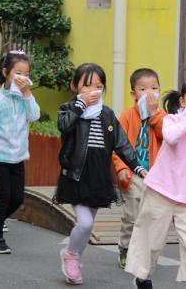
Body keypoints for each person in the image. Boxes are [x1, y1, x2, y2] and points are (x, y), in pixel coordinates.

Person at [125, 63, 186, 289]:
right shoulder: (173, 121)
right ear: (182, 101)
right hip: (160, 191)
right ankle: (142, 276)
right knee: (151, 239)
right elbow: (170, 137)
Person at [53, 63, 147, 285]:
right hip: (75, 176)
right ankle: (71, 255)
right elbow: (65, 126)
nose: (93, 90)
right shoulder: (68, 109)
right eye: (86, 85)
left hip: (98, 177)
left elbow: (122, 144)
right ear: (74, 87)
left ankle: (74, 257)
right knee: (84, 223)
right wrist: (79, 107)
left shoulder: (106, 114)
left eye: (98, 85)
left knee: (89, 224)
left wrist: (137, 166)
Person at [0, 50, 40, 254]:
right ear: (6, 72)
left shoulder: (25, 98)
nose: (23, 78)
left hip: (18, 157)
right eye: (18, 73)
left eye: (26, 74)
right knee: (4, 196)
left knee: (17, 199)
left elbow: (35, 115)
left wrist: (28, 94)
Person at [112, 68, 166, 269]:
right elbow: (116, 146)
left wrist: (154, 115)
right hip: (132, 175)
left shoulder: (162, 116)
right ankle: (125, 247)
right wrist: (120, 168)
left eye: (154, 88)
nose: (149, 93)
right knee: (132, 217)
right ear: (133, 93)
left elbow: (167, 136)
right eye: (143, 88)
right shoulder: (126, 116)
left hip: (156, 177)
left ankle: (143, 252)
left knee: (152, 217)